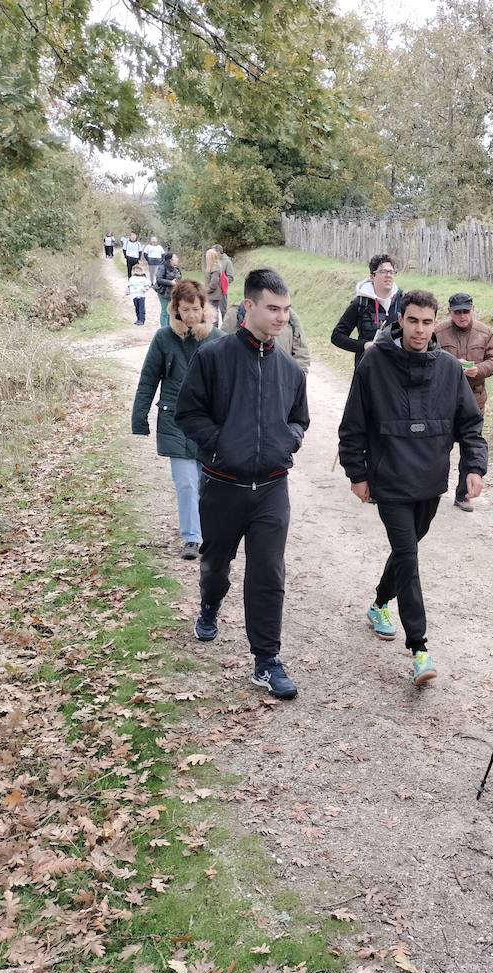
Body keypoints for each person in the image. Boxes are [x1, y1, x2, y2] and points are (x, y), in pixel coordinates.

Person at [338, 289, 487, 687]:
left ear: (434, 323)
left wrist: (473, 467)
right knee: (408, 554)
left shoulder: (448, 370)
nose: (420, 330)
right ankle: (419, 648)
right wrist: (357, 473)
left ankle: (379, 602)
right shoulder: (373, 363)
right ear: (400, 319)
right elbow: (353, 424)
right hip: (389, 481)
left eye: (427, 322)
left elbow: (470, 426)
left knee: (407, 552)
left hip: (429, 482)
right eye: (413, 321)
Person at [174, 268, 309, 701]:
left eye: (286, 310)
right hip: (223, 486)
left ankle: (266, 662)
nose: (281, 317)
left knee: (268, 574)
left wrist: (287, 441)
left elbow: (299, 420)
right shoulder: (214, 358)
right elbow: (188, 413)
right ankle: (210, 604)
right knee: (216, 566)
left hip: (271, 488)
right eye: (273, 308)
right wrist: (220, 447)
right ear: (247, 306)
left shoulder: (290, 369)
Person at [131, 280, 223, 560]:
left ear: (204, 307)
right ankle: (191, 538)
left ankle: (211, 533)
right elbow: (148, 379)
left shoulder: (219, 339)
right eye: (186, 310)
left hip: (209, 424)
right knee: (185, 482)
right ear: (175, 309)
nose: (191, 315)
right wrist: (140, 418)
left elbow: (233, 386)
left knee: (206, 483)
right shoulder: (163, 339)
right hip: (174, 420)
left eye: (196, 309)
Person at [435, 292, 493, 512]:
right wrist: (450, 367)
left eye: (466, 311)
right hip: (445, 402)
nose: (462, 316)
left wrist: (477, 369)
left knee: (470, 448)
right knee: (439, 446)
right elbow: (428, 358)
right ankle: (433, 488)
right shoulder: (438, 332)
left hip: (475, 399)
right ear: (449, 312)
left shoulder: (485, 332)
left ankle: (463, 495)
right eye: (457, 312)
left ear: (473, 309)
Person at [331, 253, 402, 369]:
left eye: (391, 272)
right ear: (372, 276)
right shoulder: (360, 303)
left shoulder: (402, 302)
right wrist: (364, 345)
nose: (388, 275)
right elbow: (337, 336)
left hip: (396, 370)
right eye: (383, 272)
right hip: (367, 368)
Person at [220, 293, 310, 371]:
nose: (282, 318)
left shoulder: (292, 318)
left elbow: (301, 356)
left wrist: (292, 382)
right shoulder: (235, 314)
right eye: (273, 309)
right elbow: (222, 352)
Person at [154, 253, 181, 330]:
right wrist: (170, 282)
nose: (177, 259)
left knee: (171, 312)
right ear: (170, 260)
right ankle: (163, 329)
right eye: (175, 257)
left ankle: (169, 328)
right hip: (164, 292)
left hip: (174, 293)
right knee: (165, 311)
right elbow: (158, 279)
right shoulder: (162, 267)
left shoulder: (177, 268)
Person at [126, 261, 150, 325]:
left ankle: (142, 320)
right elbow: (129, 285)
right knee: (136, 307)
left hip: (141, 295)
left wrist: (145, 289)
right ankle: (138, 319)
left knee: (141, 308)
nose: (137, 272)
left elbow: (147, 285)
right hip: (134, 294)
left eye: (139, 270)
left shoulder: (144, 278)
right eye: (136, 270)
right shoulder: (132, 278)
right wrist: (128, 291)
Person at [217, 245, 236, 317]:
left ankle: (224, 327)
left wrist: (221, 282)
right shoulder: (214, 260)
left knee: (223, 310)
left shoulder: (227, 262)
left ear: (218, 252)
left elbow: (230, 277)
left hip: (222, 291)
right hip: (213, 291)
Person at [204, 248, 223, 313]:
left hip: (213, 296)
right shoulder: (212, 267)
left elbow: (214, 283)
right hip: (212, 295)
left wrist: (206, 290)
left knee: (213, 314)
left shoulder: (215, 268)